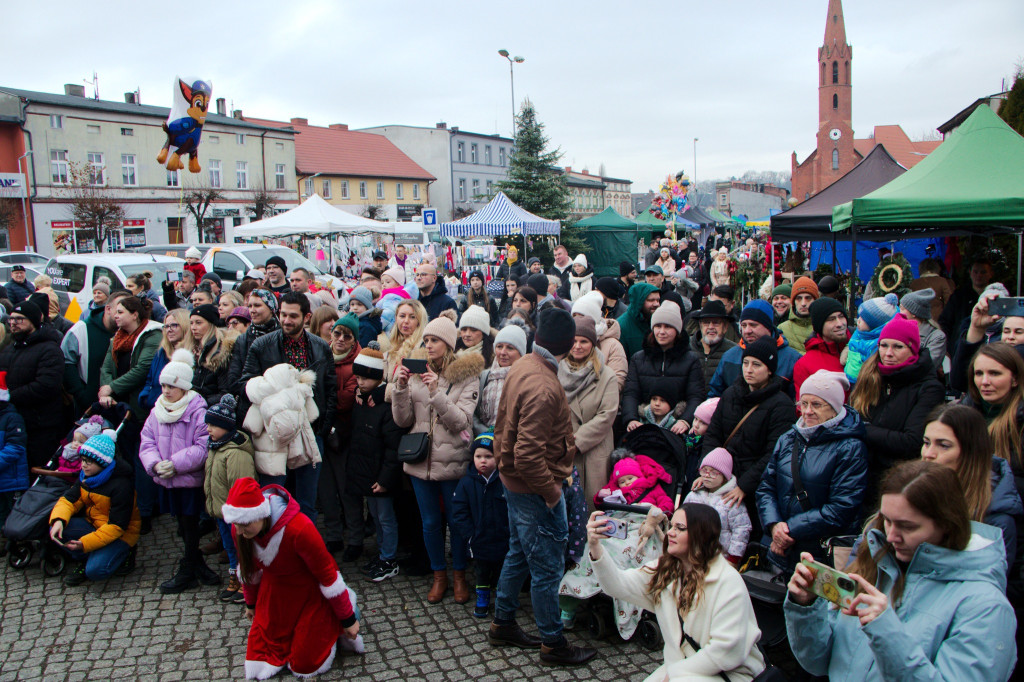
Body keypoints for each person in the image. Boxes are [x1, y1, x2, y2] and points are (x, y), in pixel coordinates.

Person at [785, 460, 1017, 682]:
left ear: (947, 523)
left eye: (908, 526)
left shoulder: (986, 606)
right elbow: (819, 663)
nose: (892, 536)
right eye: (886, 521)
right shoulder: (875, 565)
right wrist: (805, 607)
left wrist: (886, 632)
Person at [488, 307, 596, 666]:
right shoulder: (544, 385)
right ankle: (553, 643)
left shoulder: (525, 364)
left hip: (516, 483)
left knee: (519, 552)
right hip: (534, 488)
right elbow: (528, 455)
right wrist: (552, 495)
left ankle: (503, 622)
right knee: (547, 567)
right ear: (566, 346)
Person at [587, 503, 766, 681]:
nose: (670, 532)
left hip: (731, 673)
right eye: (672, 526)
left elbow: (726, 651)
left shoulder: (727, 580)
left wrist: (674, 675)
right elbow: (619, 586)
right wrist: (595, 547)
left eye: (680, 528)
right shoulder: (666, 570)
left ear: (701, 535)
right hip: (684, 666)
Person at [223, 478, 360, 680]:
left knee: (305, 662)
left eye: (245, 525)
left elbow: (328, 576)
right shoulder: (240, 531)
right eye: (237, 525)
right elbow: (249, 571)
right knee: (261, 655)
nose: (240, 532)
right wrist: (251, 604)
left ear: (261, 514)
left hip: (309, 592)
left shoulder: (300, 528)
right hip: (276, 593)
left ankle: (348, 611)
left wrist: (348, 619)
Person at [391, 315, 483, 604]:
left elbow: (462, 423)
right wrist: (401, 388)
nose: (428, 345)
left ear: (448, 343)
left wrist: (436, 393)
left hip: (453, 460)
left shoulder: (466, 375)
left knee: (456, 523)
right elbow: (403, 420)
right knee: (430, 523)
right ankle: (438, 575)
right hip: (420, 460)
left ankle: (458, 576)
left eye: (434, 340)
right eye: (426, 340)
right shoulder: (417, 371)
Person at [757, 370, 868, 572]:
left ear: (834, 408)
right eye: (803, 404)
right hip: (783, 546)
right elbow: (766, 487)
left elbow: (841, 507)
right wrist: (774, 525)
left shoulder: (850, 448)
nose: (807, 411)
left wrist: (789, 529)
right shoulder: (789, 438)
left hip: (821, 553)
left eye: (817, 405)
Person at [240, 291, 337, 521]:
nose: (286, 320)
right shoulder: (262, 345)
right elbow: (244, 384)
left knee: (306, 503)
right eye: (283, 314)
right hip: (273, 436)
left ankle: (304, 552)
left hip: (310, 432)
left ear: (306, 317)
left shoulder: (320, 347)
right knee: (273, 501)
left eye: (293, 316)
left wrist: (322, 428)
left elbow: (330, 389)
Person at [139, 350, 219, 594]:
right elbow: (147, 441)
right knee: (182, 525)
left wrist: (174, 464)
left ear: (184, 387)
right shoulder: (157, 410)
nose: (165, 391)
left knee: (190, 523)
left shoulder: (196, 410)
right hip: (167, 479)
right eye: (163, 385)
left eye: (171, 386)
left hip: (188, 479)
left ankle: (189, 568)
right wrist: (154, 464)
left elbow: (202, 446)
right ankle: (195, 564)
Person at [701, 336, 798, 533]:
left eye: (756, 364)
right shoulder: (730, 394)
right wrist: (708, 469)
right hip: (722, 476)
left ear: (770, 369)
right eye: (745, 363)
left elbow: (773, 453)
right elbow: (713, 434)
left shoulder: (781, 405)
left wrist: (744, 486)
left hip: (752, 487)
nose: (749, 369)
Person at [849, 314, 945, 495]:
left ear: (913, 349)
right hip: (860, 477)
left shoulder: (929, 388)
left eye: (898, 347)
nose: (888, 353)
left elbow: (911, 442)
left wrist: (863, 429)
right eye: (883, 345)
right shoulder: (869, 377)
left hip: (899, 483)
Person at [922, 403, 1022, 566]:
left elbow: (987, 579)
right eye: (926, 443)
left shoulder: (996, 517)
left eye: (944, 445)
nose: (928, 454)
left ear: (971, 451)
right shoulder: (912, 490)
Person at [48, 429, 141, 585]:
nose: (83, 465)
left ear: (102, 462)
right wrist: (58, 520)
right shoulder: (86, 476)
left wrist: (85, 543)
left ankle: (126, 552)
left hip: (120, 534)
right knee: (56, 529)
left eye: (88, 461)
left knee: (96, 571)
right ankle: (87, 557)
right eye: (82, 460)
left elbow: (117, 527)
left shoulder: (121, 486)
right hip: (95, 526)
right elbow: (68, 500)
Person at [345, 346, 404, 582]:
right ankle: (382, 553)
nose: (360, 382)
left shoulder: (385, 406)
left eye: (365, 377)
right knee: (377, 517)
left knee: (386, 518)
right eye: (357, 377)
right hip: (367, 474)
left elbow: (392, 449)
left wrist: (385, 479)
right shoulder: (360, 402)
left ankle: (389, 558)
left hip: (381, 477)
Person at [557, 316, 618, 505]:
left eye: (583, 341)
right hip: (562, 450)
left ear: (593, 344)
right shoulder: (557, 370)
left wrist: (576, 441)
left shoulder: (607, 375)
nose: (577, 346)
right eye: (573, 341)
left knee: (591, 508)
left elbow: (606, 415)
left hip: (593, 452)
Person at [203, 393, 257, 603]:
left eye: (213, 426)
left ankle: (247, 581)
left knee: (241, 548)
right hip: (220, 511)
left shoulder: (235, 452)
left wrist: (239, 510)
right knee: (229, 548)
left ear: (226, 426)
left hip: (235, 513)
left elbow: (241, 484)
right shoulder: (215, 447)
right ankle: (235, 576)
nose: (209, 430)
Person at [0, 301, 67, 469]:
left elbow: (46, 385)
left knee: (35, 470)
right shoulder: (10, 349)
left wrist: (10, 396)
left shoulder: (49, 349)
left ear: (34, 321)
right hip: (13, 425)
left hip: (39, 426)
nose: (13, 323)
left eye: (19, 319)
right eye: (11, 319)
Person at [622, 301, 704, 436]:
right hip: (643, 425)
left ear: (677, 330)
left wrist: (685, 420)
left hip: (677, 428)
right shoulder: (638, 359)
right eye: (658, 326)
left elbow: (695, 395)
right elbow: (631, 393)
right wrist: (631, 419)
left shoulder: (690, 360)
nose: (661, 332)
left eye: (668, 327)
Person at [452, 432, 511, 618]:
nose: (483, 461)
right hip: (479, 539)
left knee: (504, 573)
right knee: (482, 572)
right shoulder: (466, 483)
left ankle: (504, 601)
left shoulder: (505, 481)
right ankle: (483, 598)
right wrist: (469, 534)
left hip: (503, 538)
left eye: (488, 456)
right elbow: (459, 511)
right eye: (478, 456)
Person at [319, 313, 361, 558]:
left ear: (355, 340)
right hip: (322, 432)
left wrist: (323, 396)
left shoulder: (357, 362)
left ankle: (355, 538)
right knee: (326, 489)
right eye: (337, 333)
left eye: (348, 335)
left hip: (344, 434)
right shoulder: (321, 356)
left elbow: (346, 400)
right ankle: (334, 535)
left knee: (347, 490)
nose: (341, 339)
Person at [706, 300, 801, 398]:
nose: (747, 331)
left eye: (753, 325)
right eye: (744, 325)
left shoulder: (792, 359)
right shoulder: (729, 356)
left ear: (768, 326)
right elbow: (715, 395)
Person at [62, 288, 125, 417]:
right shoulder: (81, 329)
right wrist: (82, 395)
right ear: (108, 309)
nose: (122, 315)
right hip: (88, 408)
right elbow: (66, 363)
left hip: (121, 406)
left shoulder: (129, 332)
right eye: (119, 311)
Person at [683, 449, 751, 565]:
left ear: (724, 476)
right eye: (704, 471)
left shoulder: (731, 500)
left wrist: (733, 558)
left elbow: (742, 530)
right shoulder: (694, 495)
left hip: (719, 559)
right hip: (690, 554)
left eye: (713, 472)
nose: (707, 475)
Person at [570, 292, 628, 390]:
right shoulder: (568, 340)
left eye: (581, 316)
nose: (577, 320)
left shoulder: (612, 345)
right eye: (574, 316)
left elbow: (618, 380)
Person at [475, 324, 526, 434]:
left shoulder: (526, 380)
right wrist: (486, 434)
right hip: (484, 439)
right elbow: (474, 414)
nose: (503, 352)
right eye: (499, 346)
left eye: (510, 348)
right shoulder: (485, 376)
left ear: (521, 353)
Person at [792, 297, 849, 396]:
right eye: (831, 319)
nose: (840, 324)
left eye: (841, 316)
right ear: (819, 326)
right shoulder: (805, 364)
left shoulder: (860, 347)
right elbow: (804, 407)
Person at [939, 257, 994, 352]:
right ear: (970, 272)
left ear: (991, 274)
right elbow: (945, 322)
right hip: (959, 348)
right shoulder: (959, 296)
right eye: (975, 272)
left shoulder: (994, 297)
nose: (979, 275)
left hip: (988, 347)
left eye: (983, 272)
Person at [842, 293, 898, 386]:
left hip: (862, 382)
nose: (858, 320)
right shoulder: (859, 331)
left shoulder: (876, 343)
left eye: (863, 319)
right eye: (859, 317)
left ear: (874, 325)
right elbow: (851, 343)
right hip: (849, 376)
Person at [0, 372, 27, 554]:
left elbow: (16, 448)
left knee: (8, 514)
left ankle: (14, 543)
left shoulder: (11, 418)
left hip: (10, 480)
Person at [188, 304, 235, 406]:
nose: (193, 327)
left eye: (198, 323)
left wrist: (198, 403)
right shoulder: (192, 349)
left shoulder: (222, 351)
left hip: (211, 410)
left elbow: (225, 392)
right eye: (191, 323)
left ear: (211, 324)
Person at [594, 455, 674, 513]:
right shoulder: (617, 492)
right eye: (622, 482)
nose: (627, 483)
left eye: (630, 478)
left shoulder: (652, 488)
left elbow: (665, 501)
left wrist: (660, 512)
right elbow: (601, 505)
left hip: (646, 518)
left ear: (638, 476)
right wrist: (600, 497)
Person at [688, 300, 737, 391]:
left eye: (716, 323)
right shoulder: (687, 347)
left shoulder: (733, 352)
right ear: (700, 325)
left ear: (725, 327)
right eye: (706, 322)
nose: (711, 327)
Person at [900, 288, 946, 369]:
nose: (899, 313)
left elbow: (928, 364)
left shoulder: (937, 336)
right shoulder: (899, 331)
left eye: (902, 309)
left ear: (913, 313)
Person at [616, 281, 660, 359]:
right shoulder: (621, 326)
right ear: (639, 302)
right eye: (651, 300)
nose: (656, 304)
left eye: (658, 300)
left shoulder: (659, 322)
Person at [778, 276, 818, 354]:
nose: (803, 303)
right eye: (799, 298)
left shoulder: (824, 327)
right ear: (793, 302)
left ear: (815, 300)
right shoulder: (782, 329)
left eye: (808, 298)